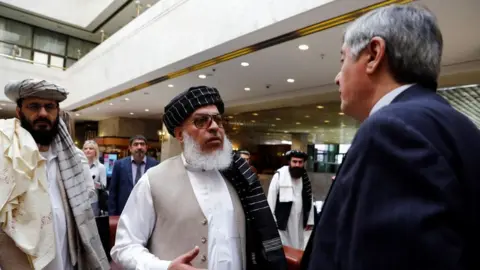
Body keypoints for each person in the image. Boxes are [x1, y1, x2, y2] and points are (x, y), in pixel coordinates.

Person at [303, 4, 480, 270]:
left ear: (374, 54)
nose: (337, 77)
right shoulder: (460, 126)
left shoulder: (389, 130)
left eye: (343, 60)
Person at [111, 86, 287, 270]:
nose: (214, 127)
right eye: (201, 121)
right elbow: (124, 247)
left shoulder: (239, 179)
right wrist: (165, 267)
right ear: (180, 134)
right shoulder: (153, 180)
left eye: (218, 120)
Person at [0, 79, 109, 269]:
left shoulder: (74, 160)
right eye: (33, 106)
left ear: (57, 112)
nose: (42, 113)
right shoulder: (6, 155)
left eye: (49, 107)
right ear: (19, 112)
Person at [267, 150, 314, 250]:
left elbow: (310, 198)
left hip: (300, 219)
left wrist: (310, 220)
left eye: (300, 162)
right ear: (289, 162)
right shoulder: (279, 176)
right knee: (285, 247)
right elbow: (270, 200)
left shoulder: (305, 178)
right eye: (295, 161)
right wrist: (271, 222)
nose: (297, 164)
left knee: (300, 245)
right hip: (284, 220)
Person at [108, 134, 159, 216]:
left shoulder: (155, 164)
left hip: (147, 212)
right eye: (136, 144)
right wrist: (112, 216)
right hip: (124, 212)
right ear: (130, 148)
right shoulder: (119, 165)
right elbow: (113, 192)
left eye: (142, 144)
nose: (139, 147)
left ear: (146, 147)